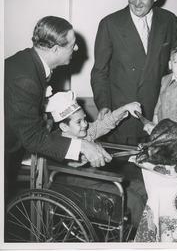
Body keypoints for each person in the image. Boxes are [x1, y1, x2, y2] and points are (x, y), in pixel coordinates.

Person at [5, 16, 112, 198]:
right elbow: (33, 138)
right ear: (55, 49)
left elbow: (33, 125)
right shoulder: (25, 79)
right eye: (72, 45)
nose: (76, 48)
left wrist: (68, 151)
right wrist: (82, 146)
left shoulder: (31, 63)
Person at [91, 0, 177, 146]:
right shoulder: (110, 24)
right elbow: (99, 72)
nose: (137, 2)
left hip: (161, 116)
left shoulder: (170, 21)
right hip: (123, 119)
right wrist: (104, 105)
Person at [44, 91, 147, 229]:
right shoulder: (59, 143)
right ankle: (146, 239)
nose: (85, 124)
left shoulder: (84, 132)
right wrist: (92, 156)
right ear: (64, 127)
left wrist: (124, 109)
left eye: (85, 119)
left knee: (142, 187)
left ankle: (147, 229)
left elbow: (103, 124)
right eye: (79, 122)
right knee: (133, 199)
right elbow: (76, 161)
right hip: (78, 185)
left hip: (94, 178)